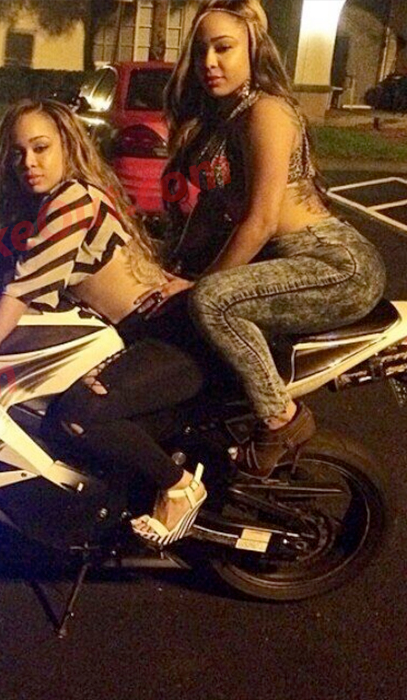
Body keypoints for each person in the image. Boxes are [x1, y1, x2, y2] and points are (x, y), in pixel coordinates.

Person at [0, 98, 207, 546]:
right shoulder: (43, 205)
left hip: (167, 334)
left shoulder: (73, 200)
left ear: (67, 145)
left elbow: (22, 290)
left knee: (78, 414)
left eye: (41, 148)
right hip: (137, 333)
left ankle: (179, 486)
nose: (29, 162)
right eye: (18, 153)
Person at [151, 0, 386, 479]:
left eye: (223, 48)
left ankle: (282, 419)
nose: (209, 62)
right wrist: (168, 265)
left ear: (253, 49)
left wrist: (197, 286)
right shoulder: (224, 118)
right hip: (286, 263)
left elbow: (258, 221)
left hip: (334, 263)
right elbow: (210, 212)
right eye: (200, 51)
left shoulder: (266, 112)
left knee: (212, 300)